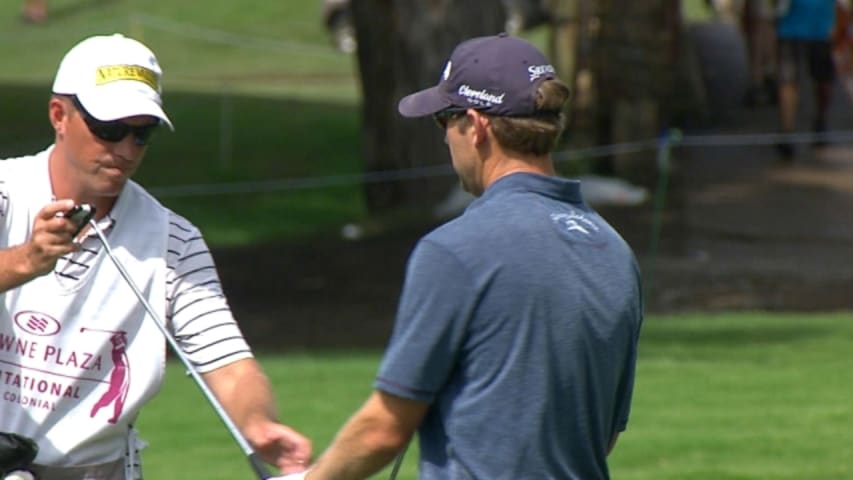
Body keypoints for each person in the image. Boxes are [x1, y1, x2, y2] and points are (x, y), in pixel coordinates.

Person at [278, 33, 644, 480]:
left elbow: (384, 430)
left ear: (475, 125)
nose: (445, 140)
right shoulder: (613, 249)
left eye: (443, 123)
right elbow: (602, 433)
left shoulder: (455, 250)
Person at [0, 33, 311, 479]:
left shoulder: (174, 239)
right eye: (109, 129)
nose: (126, 150)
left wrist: (259, 424)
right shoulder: (7, 191)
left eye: (141, 134)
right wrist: (26, 260)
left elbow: (228, 363)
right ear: (59, 116)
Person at [774, 0, 837, 158]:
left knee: (823, 84)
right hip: (790, 30)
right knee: (788, 81)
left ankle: (820, 122)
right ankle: (787, 133)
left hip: (821, 30)